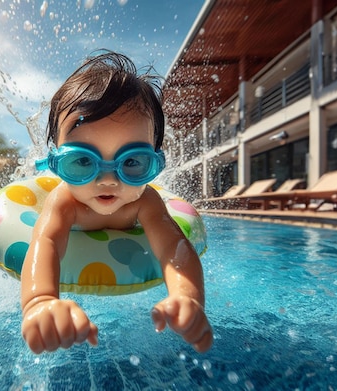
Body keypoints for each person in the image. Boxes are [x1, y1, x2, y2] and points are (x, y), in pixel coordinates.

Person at [21, 50, 213, 354]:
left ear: (155, 162)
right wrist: (39, 301)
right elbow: (45, 242)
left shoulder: (146, 201)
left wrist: (187, 297)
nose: (108, 180)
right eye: (82, 161)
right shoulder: (64, 201)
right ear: (56, 162)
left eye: (132, 162)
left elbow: (172, 245)